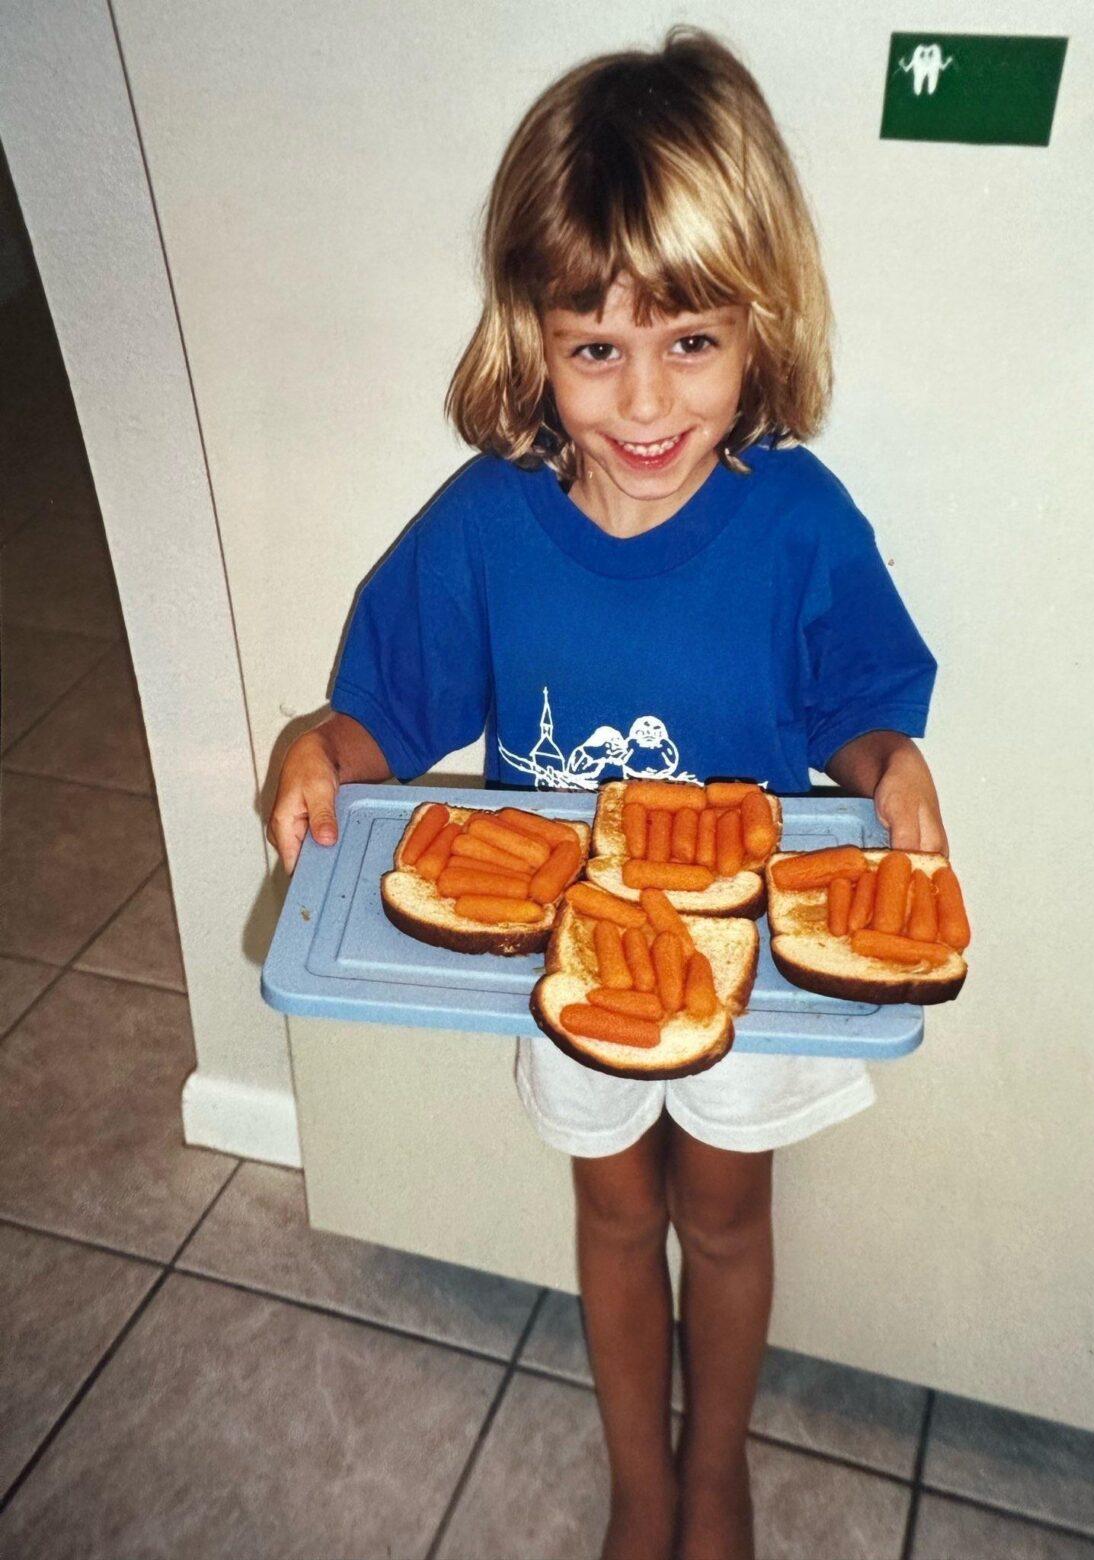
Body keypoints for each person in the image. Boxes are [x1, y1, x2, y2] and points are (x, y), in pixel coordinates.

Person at [267, 28, 946, 1560]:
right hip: (568, 961)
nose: (642, 402)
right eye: (594, 350)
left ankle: (718, 1473)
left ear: (759, 328)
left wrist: (889, 769)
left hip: (743, 961)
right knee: (612, 1215)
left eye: (689, 342)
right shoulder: (485, 525)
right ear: (534, 338)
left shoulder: (800, 526)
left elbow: (857, 705)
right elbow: (393, 705)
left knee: (722, 1213)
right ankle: (642, 1479)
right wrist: (325, 744)